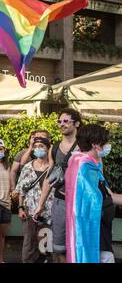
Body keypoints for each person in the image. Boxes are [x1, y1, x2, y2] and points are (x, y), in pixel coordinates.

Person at [65, 124, 117, 263]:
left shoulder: (88, 165)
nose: (107, 146)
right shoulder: (84, 166)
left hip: (98, 233)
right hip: (94, 234)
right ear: (95, 144)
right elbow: (97, 199)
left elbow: (108, 195)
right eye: (104, 143)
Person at [45, 108, 81, 263]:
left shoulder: (85, 147)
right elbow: (49, 177)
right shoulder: (53, 148)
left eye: (66, 121)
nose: (62, 124)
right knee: (59, 247)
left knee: (79, 244)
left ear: (77, 123)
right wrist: (40, 204)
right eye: (59, 121)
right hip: (60, 201)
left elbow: (98, 172)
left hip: (80, 202)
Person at [15, 136, 54, 263]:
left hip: (48, 212)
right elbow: (21, 189)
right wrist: (20, 208)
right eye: (36, 147)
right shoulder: (27, 167)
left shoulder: (54, 168)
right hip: (29, 212)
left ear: (48, 148)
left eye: (41, 146)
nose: (38, 149)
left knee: (46, 245)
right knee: (29, 243)